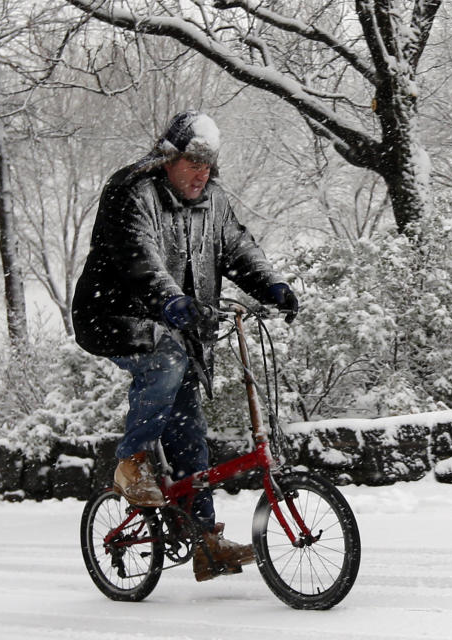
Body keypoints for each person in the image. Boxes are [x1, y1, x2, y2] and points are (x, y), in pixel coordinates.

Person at [71, 110, 299, 581]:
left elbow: (237, 247)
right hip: (115, 316)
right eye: (193, 162)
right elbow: (140, 259)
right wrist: (171, 302)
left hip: (178, 327)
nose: (202, 174)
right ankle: (131, 463)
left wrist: (272, 287)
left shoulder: (212, 201)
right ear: (168, 157)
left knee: (189, 429)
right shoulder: (132, 192)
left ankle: (204, 542)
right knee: (167, 357)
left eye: (209, 165)